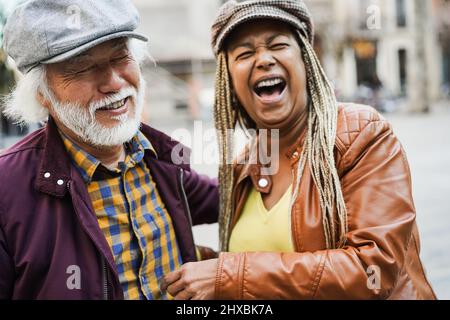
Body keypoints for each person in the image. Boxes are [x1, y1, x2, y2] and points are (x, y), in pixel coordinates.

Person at [161, 0, 436, 300]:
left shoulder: (361, 134)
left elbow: (372, 272)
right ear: (229, 80)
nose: (263, 59)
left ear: (306, 59)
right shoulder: (242, 167)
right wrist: (204, 265)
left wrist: (228, 275)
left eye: (277, 45)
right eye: (245, 53)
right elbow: (258, 270)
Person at [0, 0, 218, 299]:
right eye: (82, 67)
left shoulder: (157, 157)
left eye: (121, 56)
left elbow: (226, 196)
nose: (114, 82)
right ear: (42, 94)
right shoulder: (6, 189)